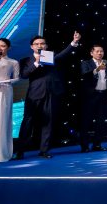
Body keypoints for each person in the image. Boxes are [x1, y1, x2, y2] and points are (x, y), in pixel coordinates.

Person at [16, 31, 82, 159]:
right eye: (37, 44)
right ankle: (20, 151)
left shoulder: (50, 56)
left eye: (42, 43)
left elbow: (63, 54)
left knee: (48, 122)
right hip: (34, 94)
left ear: (46, 46)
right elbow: (24, 75)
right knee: (28, 122)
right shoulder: (26, 60)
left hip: (52, 93)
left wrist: (74, 42)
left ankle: (44, 150)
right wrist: (36, 63)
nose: (40, 46)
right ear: (32, 46)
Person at [79, 44, 107, 152]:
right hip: (90, 96)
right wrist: (97, 69)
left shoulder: (106, 64)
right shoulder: (86, 63)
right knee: (86, 121)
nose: (100, 53)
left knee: (100, 121)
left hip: (103, 95)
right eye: (97, 51)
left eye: (101, 51)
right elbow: (84, 75)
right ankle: (85, 146)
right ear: (91, 53)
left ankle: (97, 145)